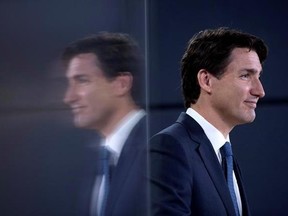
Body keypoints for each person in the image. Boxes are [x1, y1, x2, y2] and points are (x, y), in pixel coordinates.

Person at [149, 27, 268, 216]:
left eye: (258, 76)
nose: (260, 91)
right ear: (206, 80)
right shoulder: (169, 147)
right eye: (246, 75)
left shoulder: (224, 156)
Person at [62, 32, 148, 216]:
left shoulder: (163, 148)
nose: (69, 97)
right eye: (69, 82)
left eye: (82, 80)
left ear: (121, 84)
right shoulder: (96, 159)